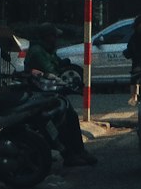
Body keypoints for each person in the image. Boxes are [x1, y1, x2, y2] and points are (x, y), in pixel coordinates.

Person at [24, 23, 97, 167]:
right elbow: (51, 71)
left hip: (52, 91)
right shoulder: (38, 52)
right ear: (46, 37)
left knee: (70, 115)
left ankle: (78, 151)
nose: (56, 39)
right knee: (61, 119)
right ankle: (68, 154)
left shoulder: (48, 50)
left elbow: (57, 65)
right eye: (54, 36)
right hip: (41, 94)